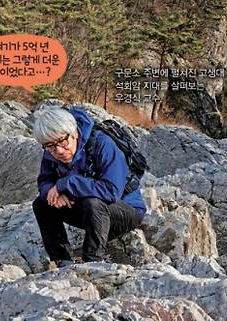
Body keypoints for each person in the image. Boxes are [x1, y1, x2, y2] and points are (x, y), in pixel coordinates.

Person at [32, 107, 146, 267]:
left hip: (125, 211)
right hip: (87, 212)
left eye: (63, 142)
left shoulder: (102, 144)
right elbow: (44, 181)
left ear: (75, 133)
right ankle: (62, 261)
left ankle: (93, 261)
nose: (59, 150)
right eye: (50, 146)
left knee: (93, 202)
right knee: (41, 204)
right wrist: (53, 194)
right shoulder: (51, 152)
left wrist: (66, 184)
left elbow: (110, 191)